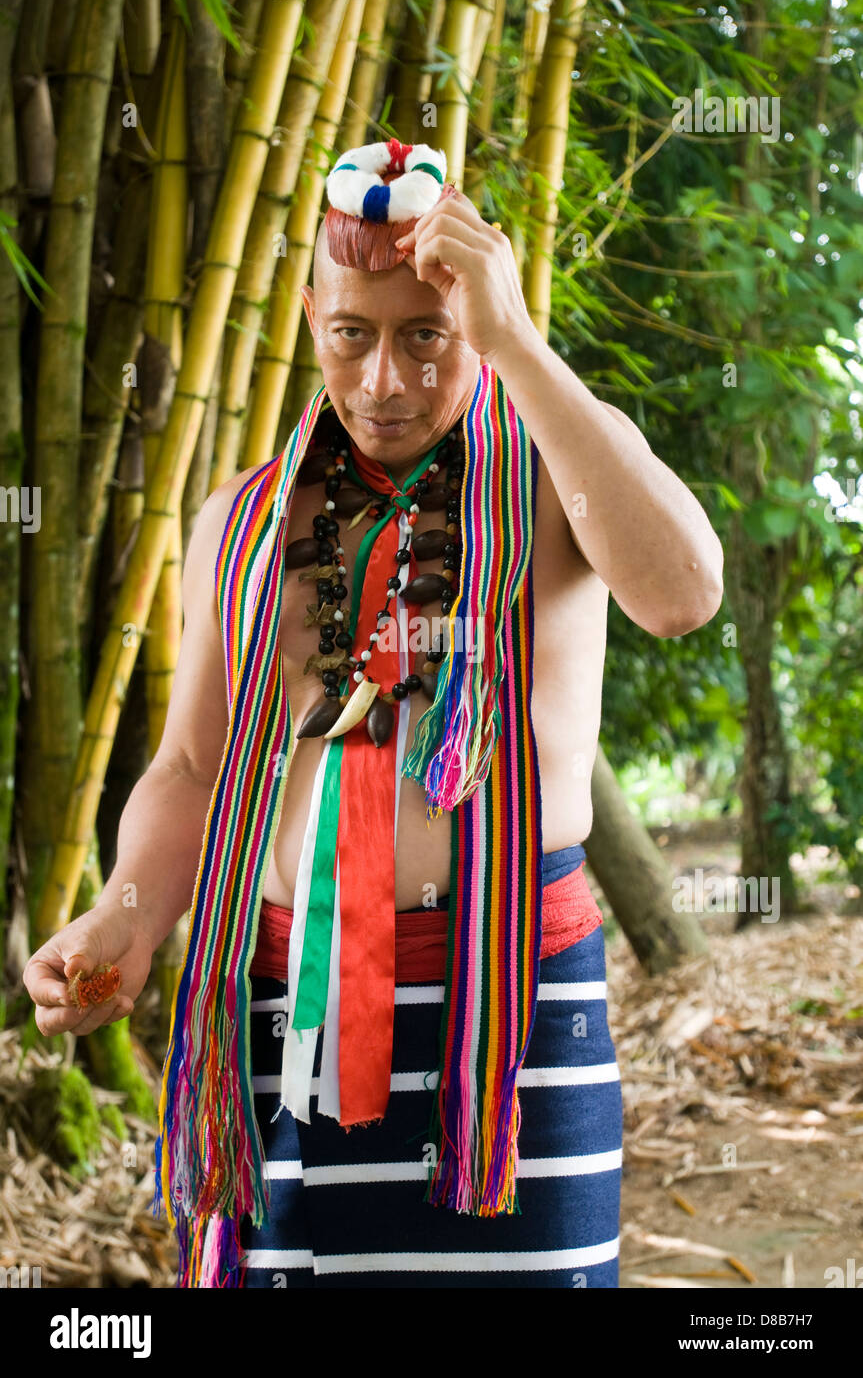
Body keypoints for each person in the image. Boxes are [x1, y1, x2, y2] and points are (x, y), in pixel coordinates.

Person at [24, 139, 723, 1289]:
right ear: (309, 317)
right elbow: (194, 765)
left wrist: (515, 342)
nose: (383, 381)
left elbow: (683, 593)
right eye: (352, 333)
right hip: (280, 1015)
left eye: (425, 337)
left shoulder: (559, 478)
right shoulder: (242, 520)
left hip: (514, 1030)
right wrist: (126, 917)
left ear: (480, 321)